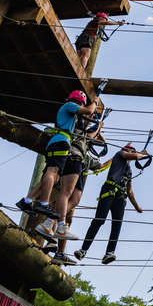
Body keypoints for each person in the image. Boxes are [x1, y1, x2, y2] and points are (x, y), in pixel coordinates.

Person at [16, 89, 98, 240]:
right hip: (61, 141)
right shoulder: (69, 106)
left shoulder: (71, 114)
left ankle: (27, 201)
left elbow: (87, 123)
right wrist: (95, 101)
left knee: (54, 177)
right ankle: (44, 203)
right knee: (52, 173)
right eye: (82, 103)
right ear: (79, 101)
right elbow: (89, 109)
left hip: (61, 141)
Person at [74, 143, 145, 265]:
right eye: (131, 151)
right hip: (109, 189)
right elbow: (136, 156)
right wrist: (141, 153)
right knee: (99, 220)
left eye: (134, 151)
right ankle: (83, 249)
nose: (133, 153)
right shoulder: (120, 154)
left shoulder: (129, 170)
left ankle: (109, 253)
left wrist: (136, 206)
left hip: (121, 195)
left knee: (117, 224)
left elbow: (130, 190)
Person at [50, 109, 104, 265]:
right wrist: (96, 124)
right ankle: (51, 228)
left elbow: (101, 141)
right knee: (63, 201)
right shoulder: (77, 125)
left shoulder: (86, 146)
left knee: (69, 215)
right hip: (71, 160)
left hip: (77, 165)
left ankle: (59, 250)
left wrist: (98, 127)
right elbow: (89, 134)